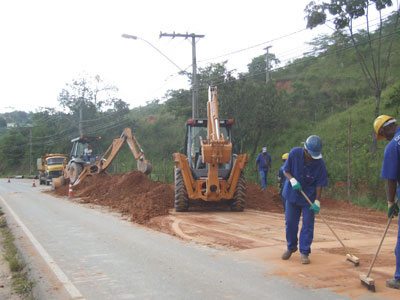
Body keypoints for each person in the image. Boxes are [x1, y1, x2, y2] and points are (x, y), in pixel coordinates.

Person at [281, 135, 328, 264]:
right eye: (311, 154)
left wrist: (317, 201)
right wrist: (292, 179)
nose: (313, 157)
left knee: (308, 225)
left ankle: (304, 252)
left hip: (309, 197)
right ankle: (291, 247)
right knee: (290, 223)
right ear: (305, 150)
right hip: (292, 194)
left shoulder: (320, 163)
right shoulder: (295, 153)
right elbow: (286, 170)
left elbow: (320, 183)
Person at [374, 115, 400, 289]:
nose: (385, 139)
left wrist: (391, 202)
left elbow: (390, 178)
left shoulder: (393, 147)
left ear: (384, 130)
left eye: (383, 135)